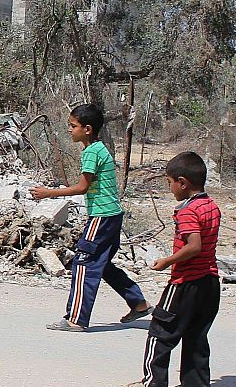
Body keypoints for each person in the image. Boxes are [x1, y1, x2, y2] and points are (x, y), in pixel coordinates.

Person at [31, 103, 151, 331]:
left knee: (84, 263)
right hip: (112, 216)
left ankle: (76, 319)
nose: (69, 129)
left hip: (102, 217)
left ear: (87, 129)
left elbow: (82, 187)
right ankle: (139, 303)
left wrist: (49, 193)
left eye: (72, 126)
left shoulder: (92, 153)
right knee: (102, 264)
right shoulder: (98, 149)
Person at [126, 152, 221, 387]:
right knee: (196, 334)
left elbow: (194, 246)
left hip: (185, 282)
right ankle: (198, 386)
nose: (169, 188)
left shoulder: (187, 211)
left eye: (169, 182)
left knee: (161, 330)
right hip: (210, 283)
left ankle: (153, 383)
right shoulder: (211, 205)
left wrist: (167, 261)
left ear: (182, 182)